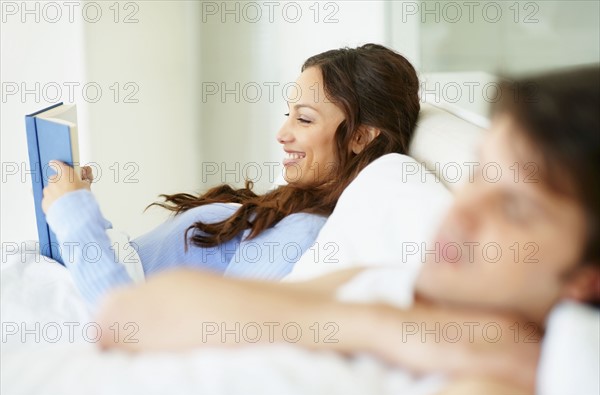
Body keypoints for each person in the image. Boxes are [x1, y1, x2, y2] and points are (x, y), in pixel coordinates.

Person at [96, 65, 600, 395]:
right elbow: (124, 316)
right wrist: (388, 329)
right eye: (478, 173)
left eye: (514, 206)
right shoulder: (395, 291)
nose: (462, 211)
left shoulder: (496, 379)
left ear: (586, 277)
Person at [40, 44, 421, 307]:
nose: (282, 133)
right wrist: (79, 207)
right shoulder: (291, 209)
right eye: (287, 114)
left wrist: (75, 217)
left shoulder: (303, 236)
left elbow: (132, 327)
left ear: (359, 137)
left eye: (304, 119)